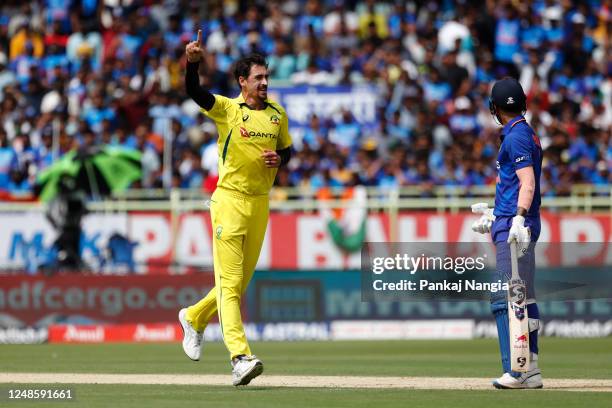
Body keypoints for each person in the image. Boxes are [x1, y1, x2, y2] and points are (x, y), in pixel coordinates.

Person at [178, 30, 292, 386]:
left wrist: (280, 159)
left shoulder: (276, 114)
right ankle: (240, 357)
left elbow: (287, 150)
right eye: (257, 78)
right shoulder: (229, 109)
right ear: (242, 82)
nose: (264, 83)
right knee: (229, 285)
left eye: (266, 77)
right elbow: (194, 92)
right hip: (228, 200)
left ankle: (194, 317)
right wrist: (191, 65)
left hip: (260, 204)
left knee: (238, 285)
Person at [471, 77, 543, 389]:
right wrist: (495, 213)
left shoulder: (515, 137)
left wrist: (517, 219)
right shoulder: (525, 133)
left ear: (495, 108)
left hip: (516, 226)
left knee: (506, 298)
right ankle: (532, 367)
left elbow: (527, 183)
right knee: (524, 296)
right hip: (512, 220)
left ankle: (517, 370)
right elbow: (516, 186)